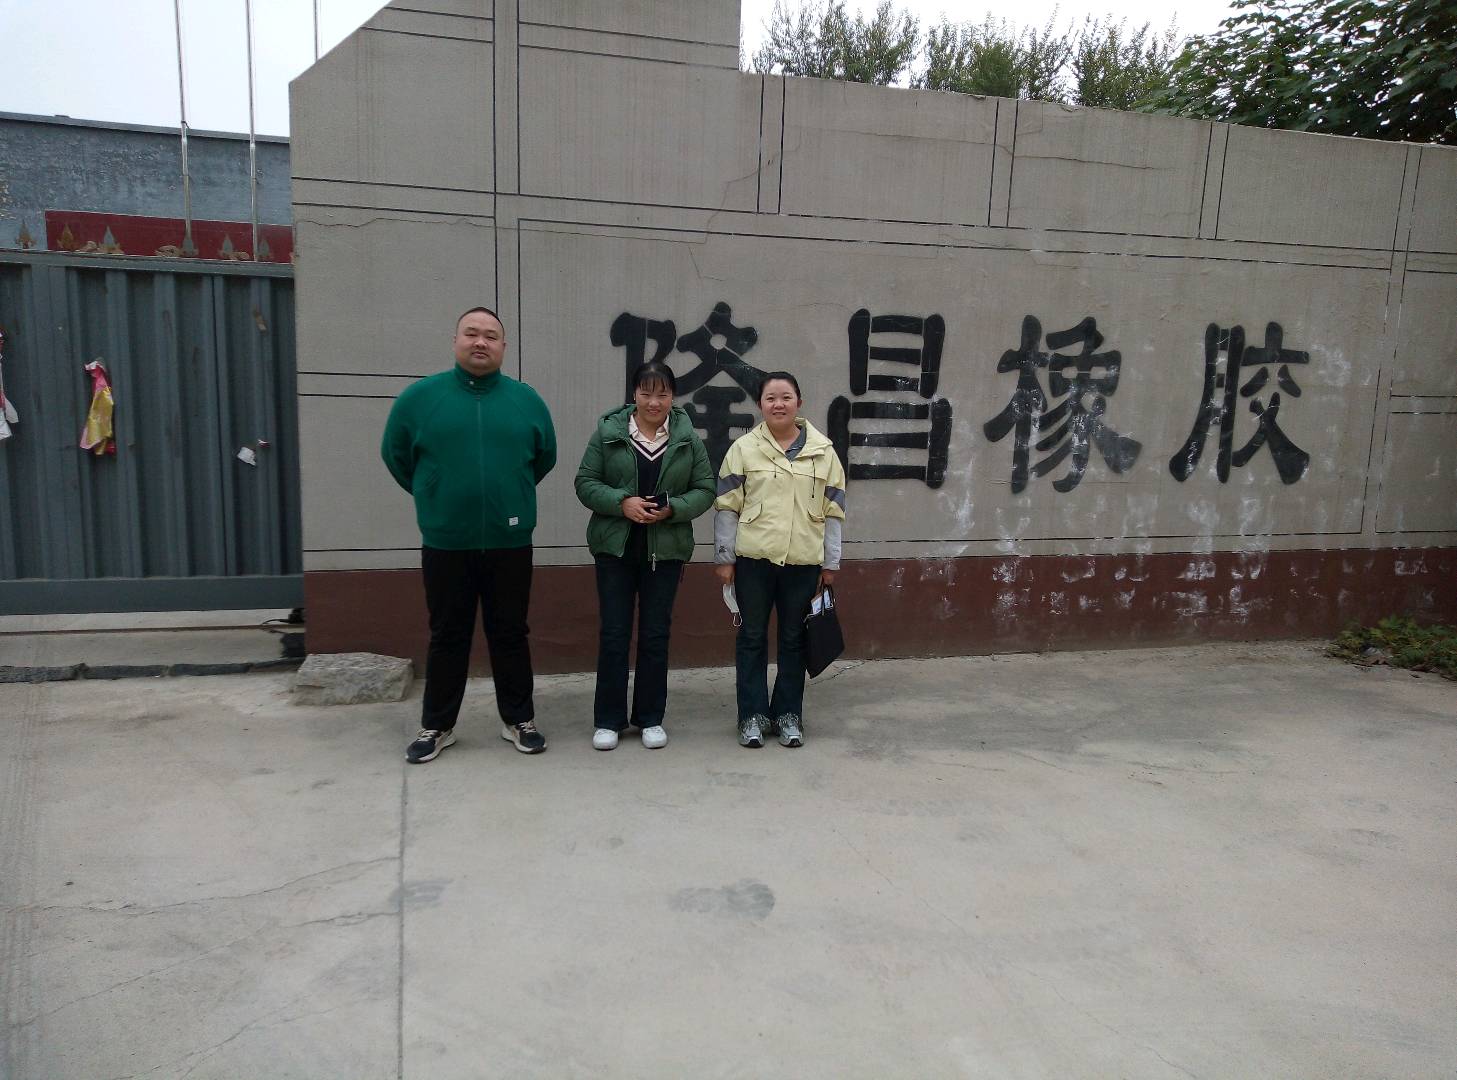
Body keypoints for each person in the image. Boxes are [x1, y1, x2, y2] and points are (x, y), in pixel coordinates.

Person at [381, 307, 557, 764]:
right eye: (472, 334)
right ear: (455, 340)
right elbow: (396, 456)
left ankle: (519, 719)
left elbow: (544, 457)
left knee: (510, 632)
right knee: (447, 634)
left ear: (504, 347)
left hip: (509, 541)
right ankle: (437, 725)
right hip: (446, 541)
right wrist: (434, 493)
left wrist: (507, 496)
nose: (481, 342)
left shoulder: (525, 401)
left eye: (491, 336)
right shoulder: (421, 399)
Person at [574, 361, 715, 749]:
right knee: (614, 633)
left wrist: (674, 509)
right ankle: (608, 720)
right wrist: (622, 503)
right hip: (614, 550)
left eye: (663, 393)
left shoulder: (686, 438)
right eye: (647, 393)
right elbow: (585, 482)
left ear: (673, 396)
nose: (654, 402)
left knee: (655, 634)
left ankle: (650, 718)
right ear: (634, 394)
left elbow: (705, 488)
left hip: (665, 553)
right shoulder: (609, 433)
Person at [714, 371, 846, 749]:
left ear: (799, 403)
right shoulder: (743, 449)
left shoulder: (824, 452)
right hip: (753, 561)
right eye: (770, 398)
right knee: (752, 637)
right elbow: (727, 506)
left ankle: (788, 714)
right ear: (760, 405)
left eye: (786, 397)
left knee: (793, 639)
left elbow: (834, 512)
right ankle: (752, 715)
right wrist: (724, 558)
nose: (778, 404)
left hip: (803, 563)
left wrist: (831, 564)